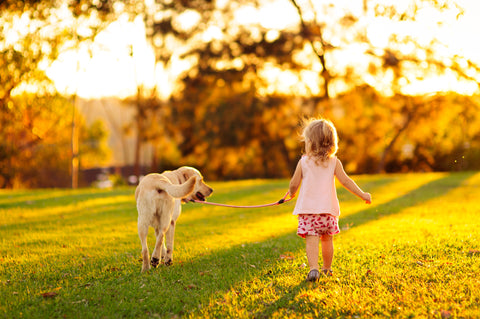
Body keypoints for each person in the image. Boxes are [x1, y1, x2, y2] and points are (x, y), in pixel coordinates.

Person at [288, 118, 372, 282]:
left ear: (310, 143)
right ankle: (327, 268)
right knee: (327, 240)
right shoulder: (334, 162)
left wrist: (290, 194)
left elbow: (293, 183)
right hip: (328, 213)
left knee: (311, 241)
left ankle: (314, 269)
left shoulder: (304, 162)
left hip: (308, 213)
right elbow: (347, 181)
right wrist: (363, 194)